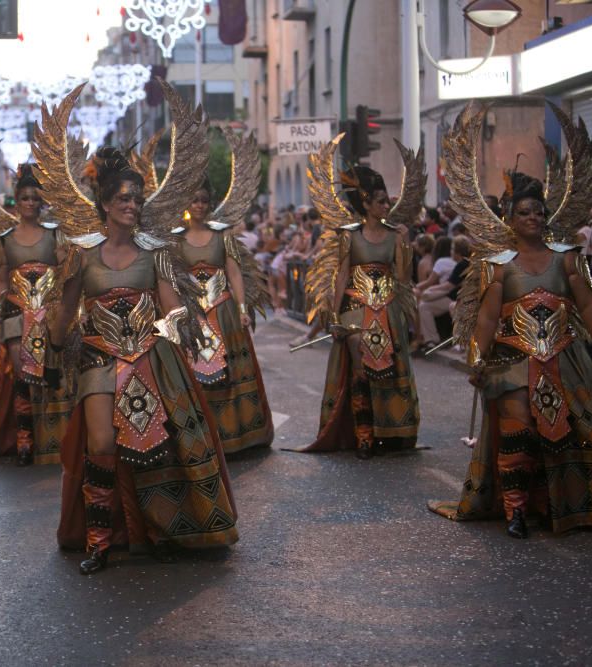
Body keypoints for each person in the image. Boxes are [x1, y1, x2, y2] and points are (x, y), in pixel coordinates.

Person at [34, 83, 238, 574]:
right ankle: (100, 540)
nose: (133, 203)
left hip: (150, 357)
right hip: (99, 359)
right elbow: (63, 313)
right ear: (105, 202)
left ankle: (163, 528)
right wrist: (50, 357)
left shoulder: (155, 252)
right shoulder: (80, 254)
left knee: (159, 445)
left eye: (138, 196)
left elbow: (171, 306)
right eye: (124, 197)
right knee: (102, 444)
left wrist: (181, 334)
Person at [430, 103, 592, 538]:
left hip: (566, 358)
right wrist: (476, 359)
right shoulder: (498, 265)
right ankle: (515, 511)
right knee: (518, 436)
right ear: (509, 218)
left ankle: (564, 505)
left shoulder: (567, 258)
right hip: (513, 362)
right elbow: (486, 319)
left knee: (571, 435)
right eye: (524, 212)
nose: (533, 218)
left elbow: (588, 306)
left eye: (538, 212)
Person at [298, 138, 426, 459]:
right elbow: (342, 274)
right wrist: (335, 314)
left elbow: (403, 276)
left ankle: (390, 429)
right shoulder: (349, 236)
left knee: (389, 369)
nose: (387, 206)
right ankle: (364, 434)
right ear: (366, 204)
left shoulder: (397, 235)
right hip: (355, 307)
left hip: (387, 307)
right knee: (360, 369)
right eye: (381, 201)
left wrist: (406, 245)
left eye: (388, 201)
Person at [0, 149, 71, 466]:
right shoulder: (5, 237)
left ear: (42, 201)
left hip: (49, 313)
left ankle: (55, 436)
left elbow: (65, 274)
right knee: (22, 374)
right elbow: (0, 276)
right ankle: (25, 439)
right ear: (16, 199)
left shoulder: (55, 235)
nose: (29, 203)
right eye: (24, 197)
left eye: (34, 198)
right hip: (14, 312)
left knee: (53, 373)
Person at [173, 134, 274, 455]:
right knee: (196, 378)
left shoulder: (222, 235)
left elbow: (233, 273)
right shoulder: (174, 240)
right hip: (192, 317)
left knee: (228, 376)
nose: (199, 205)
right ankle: (203, 439)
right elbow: (172, 280)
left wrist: (242, 307)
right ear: (185, 204)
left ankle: (236, 437)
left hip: (223, 311)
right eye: (194, 200)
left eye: (204, 200)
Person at [416, 236, 470, 352]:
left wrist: (431, 290)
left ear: (458, 251)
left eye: (452, 249)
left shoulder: (462, 264)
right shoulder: (463, 263)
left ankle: (432, 340)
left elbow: (448, 286)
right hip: (454, 297)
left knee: (424, 305)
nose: (450, 252)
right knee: (424, 306)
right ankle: (431, 340)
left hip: (456, 299)